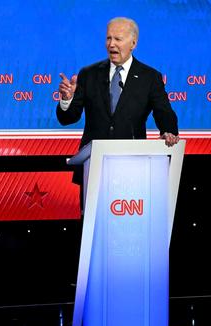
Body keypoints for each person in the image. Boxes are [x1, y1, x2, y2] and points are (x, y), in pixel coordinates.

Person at [56, 17, 180, 208]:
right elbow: (68, 117)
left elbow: (163, 111)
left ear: (133, 43)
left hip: (132, 167)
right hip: (94, 167)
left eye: (118, 39)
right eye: (108, 39)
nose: (111, 44)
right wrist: (66, 99)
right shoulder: (88, 74)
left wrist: (169, 130)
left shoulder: (150, 77)